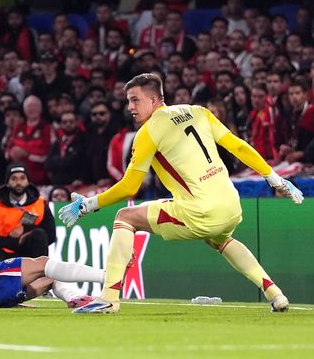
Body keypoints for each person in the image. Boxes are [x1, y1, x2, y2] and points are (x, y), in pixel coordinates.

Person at [58, 73, 301, 314]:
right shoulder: (199, 111)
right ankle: (275, 293)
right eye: (128, 101)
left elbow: (130, 187)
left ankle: (109, 298)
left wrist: (87, 205)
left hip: (200, 211)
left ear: (154, 100)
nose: (130, 107)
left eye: (135, 100)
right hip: (231, 205)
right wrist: (275, 178)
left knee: (125, 217)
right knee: (220, 239)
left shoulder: (148, 132)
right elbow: (237, 145)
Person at [0, 163, 56, 265]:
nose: (18, 182)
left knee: (39, 234)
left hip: (31, 253)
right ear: (7, 183)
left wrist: (25, 231)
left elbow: (51, 235)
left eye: (22, 178)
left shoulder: (40, 204)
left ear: (28, 182)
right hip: (6, 253)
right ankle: (7, 281)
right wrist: (17, 243)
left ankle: (40, 275)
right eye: (14, 179)